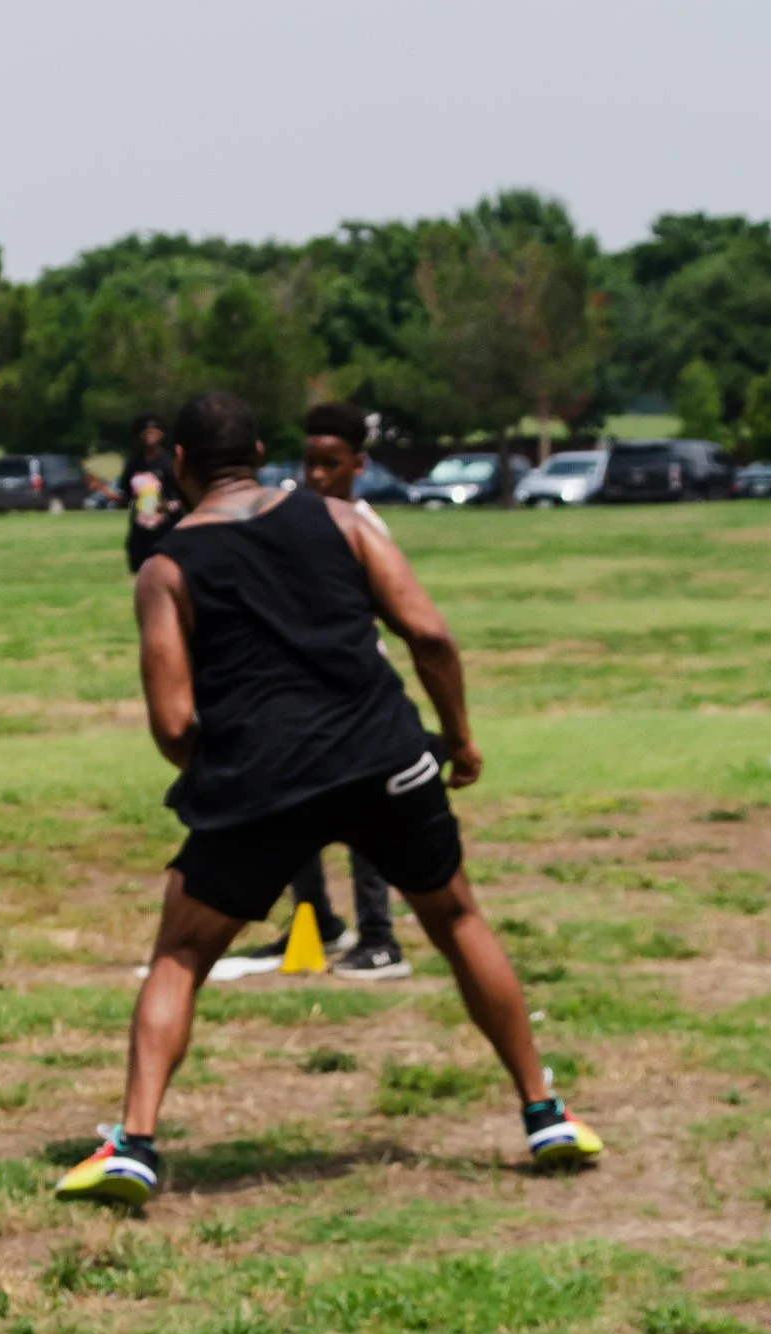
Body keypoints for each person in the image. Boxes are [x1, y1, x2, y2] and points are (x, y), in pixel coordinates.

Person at [55, 391, 602, 1208]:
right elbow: (431, 636)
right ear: (263, 450)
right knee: (455, 919)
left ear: (179, 465)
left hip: (263, 781)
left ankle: (134, 1144)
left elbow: (173, 723)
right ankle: (545, 1113)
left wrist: (225, 765)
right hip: (384, 756)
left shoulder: (166, 567)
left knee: (180, 953)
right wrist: (458, 738)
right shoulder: (344, 523)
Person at [217, 402, 409, 982]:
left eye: (332, 464)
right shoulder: (288, 518)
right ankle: (316, 919)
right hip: (297, 690)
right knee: (293, 805)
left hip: (356, 692)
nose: (318, 476)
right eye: (310, 463)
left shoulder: (367, 528)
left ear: (359, 464)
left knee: (365, 814)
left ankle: (379, 936)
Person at [120, 412, 181, 574]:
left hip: (165, 531)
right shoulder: (135, 463)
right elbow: (125, 498)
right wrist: (101, 489)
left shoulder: (169, 463)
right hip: (140, 531)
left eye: (154, 430)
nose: (149, 434)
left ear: (162, 433)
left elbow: (184, 497)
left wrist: (169, 506)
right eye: (144, 430)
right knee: (140, 575)